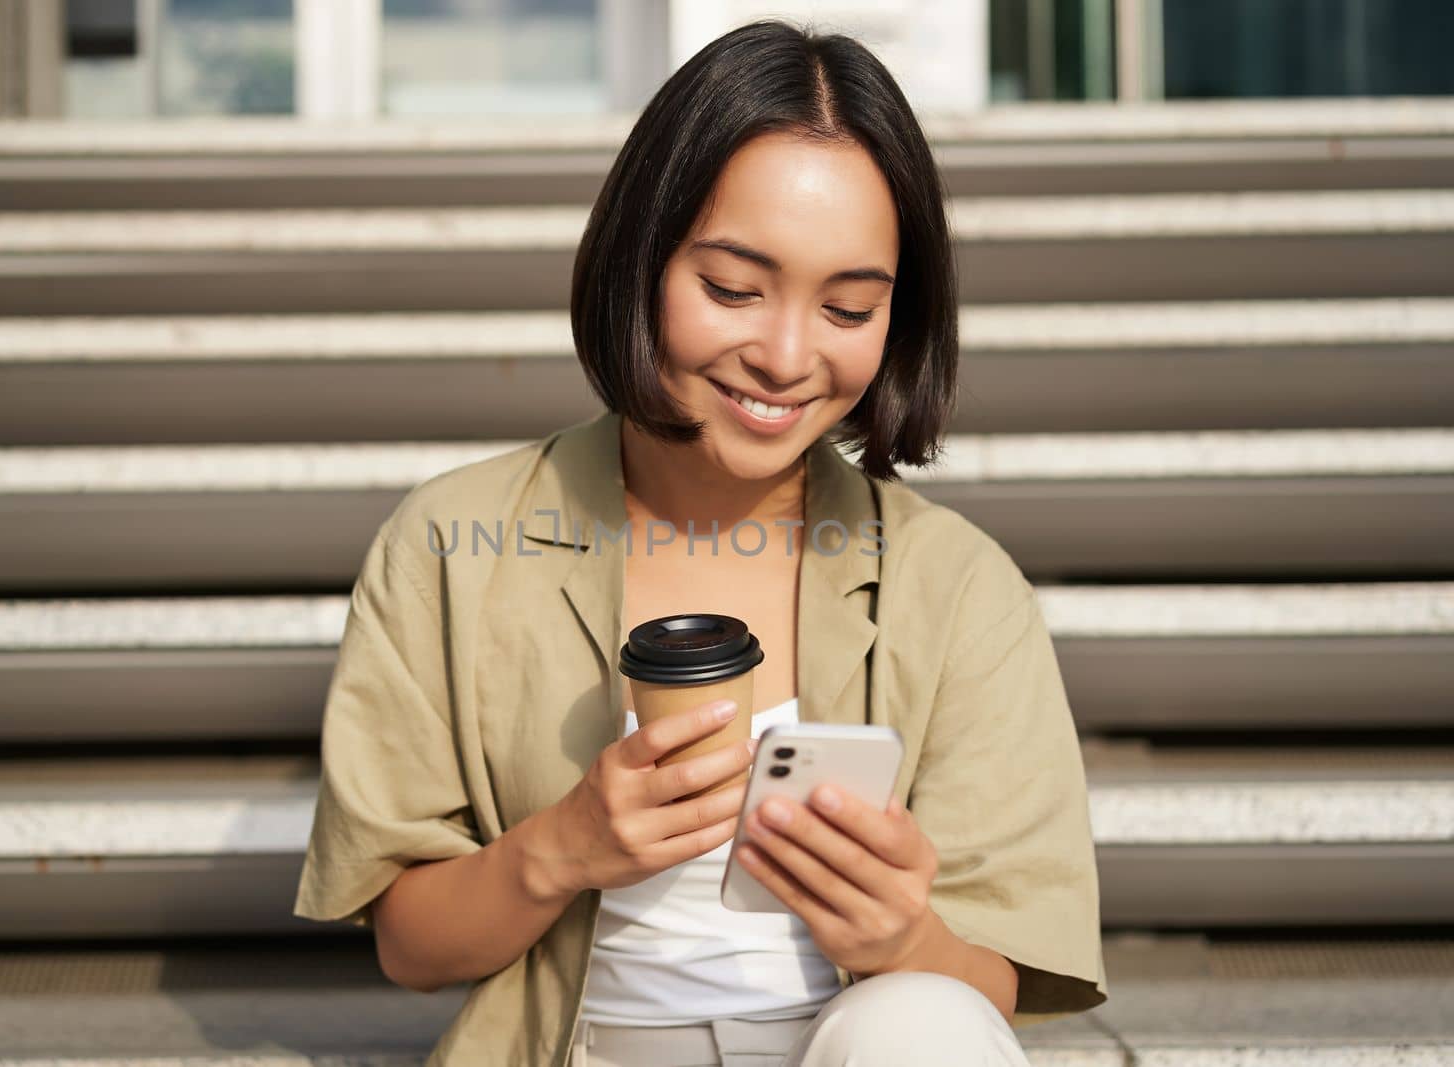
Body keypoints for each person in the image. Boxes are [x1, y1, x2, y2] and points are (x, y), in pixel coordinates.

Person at [293, 19, 1106, 1067]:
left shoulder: (955, 586)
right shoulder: (453, 546)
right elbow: (410, 944)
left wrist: (903, 934)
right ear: (641, 256)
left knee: (919, 1020)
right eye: (730, 289)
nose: (782, 356)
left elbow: (989, 988)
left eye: (848, 306)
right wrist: (566, 845)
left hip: (854, 1045)